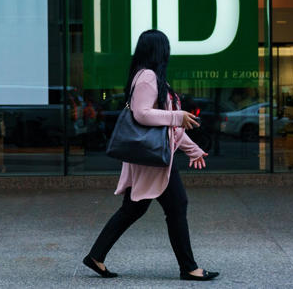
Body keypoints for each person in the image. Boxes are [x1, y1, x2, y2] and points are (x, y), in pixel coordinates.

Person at [82, 30, 219, 281]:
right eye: (166, 48)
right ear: (159, 50)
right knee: (176, 206)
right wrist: (178, 115)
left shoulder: (152, 77)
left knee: (134, 209)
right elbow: (142, 114)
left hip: (152, 158)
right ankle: (189, 268)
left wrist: (192, 148)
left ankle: (96, 255)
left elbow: (167, 129)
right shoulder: (147, 77)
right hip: (153, 160)